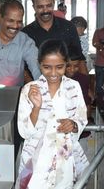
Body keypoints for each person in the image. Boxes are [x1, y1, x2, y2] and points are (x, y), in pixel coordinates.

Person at [16, 39, 89, 189]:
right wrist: (36, 108)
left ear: (66, 64)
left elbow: (81, 118)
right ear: (39, 64)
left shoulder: (73, 87)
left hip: (65, 157)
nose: (54, 73)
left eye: (59, 67)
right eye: (47, 67)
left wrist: (73, 125)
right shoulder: (29, 90)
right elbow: (24, 132)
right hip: (38, 161)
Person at [22, 0, 88, 75]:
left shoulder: (68, 27)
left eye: (49, 6)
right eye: (40, 7)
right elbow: (24, 68)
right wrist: (33, 86)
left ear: (53, 3)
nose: (45, 10)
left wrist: (88, 87)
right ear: (34, 7)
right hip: (36, 85)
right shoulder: (26, 33)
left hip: (66, 85)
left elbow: (80, 59)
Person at [65, 46, 94, 153]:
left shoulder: (83, 79)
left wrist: (84, 123)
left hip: (79, 128)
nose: (72, 69)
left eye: (76, 66)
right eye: (68, 66)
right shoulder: (56, 79)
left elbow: (87, 105)